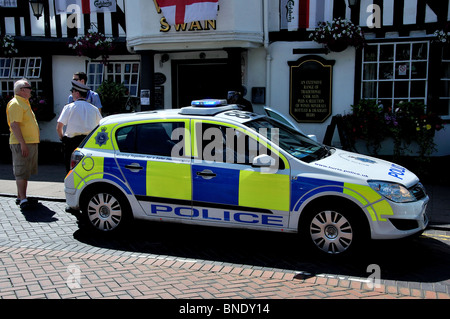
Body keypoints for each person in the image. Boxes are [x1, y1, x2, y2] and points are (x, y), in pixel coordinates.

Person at [6, 79, 40, 210]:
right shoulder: (16, 103)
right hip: (22, 142)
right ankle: (23, 199)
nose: (31, 90)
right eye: (29, 87)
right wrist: (23, 144)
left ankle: (20, 196)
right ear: (22, 90)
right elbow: (14, 125)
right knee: (21, 170)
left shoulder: (23, 102)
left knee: (24, 171)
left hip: (29, 142)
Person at [57, 80, 102, 172]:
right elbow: (100, 127)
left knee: (71, 171)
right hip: (88, 143)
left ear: (77, 93)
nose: (71, 94)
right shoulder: (94, 109)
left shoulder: (69, 107)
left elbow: (59, 127)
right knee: (87, 170)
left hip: (72, 143)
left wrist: (62, 138)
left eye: (72, 92)